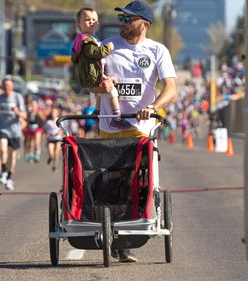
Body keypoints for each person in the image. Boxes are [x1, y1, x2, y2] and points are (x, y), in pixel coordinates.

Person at [90, 1, 177, 262]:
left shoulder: (157, 50)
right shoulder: (108, 46)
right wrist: (100, 89)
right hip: (110, 125)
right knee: (114, 181)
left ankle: (125, 237)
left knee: (135, 181)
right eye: (122, 18)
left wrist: (152, 107)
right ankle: (113, 234)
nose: (123, 22)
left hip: (140, 128)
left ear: (145, 24)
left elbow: (171, 89)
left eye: (129, 19)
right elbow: (90, 83)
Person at [71, 7, 129, 130]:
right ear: (79, 25)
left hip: (96, 73)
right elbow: (95, 53)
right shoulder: (85, 40)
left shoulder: (92, 38)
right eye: (87, 20)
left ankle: (97, 111)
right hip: (92, 75)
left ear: (98, 23)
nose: (91, 22)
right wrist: (109, 47)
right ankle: (116, 117)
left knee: (101, 92)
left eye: (94, 19)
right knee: (112, 91)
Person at [0, 78, 26, 190]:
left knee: (13, 156)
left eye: (8, 85)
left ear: (12, 87)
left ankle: (9, 178)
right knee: (3, 148)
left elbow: (24, 115)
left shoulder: (17, 97)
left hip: (15, 131)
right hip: (2, 128)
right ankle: (4, 170)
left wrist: (18, 113)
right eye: (4, 85)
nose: (6, 87)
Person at [43, 106, 63, 172]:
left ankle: (55, 165)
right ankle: (51, 158)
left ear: (57, 113)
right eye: (52, 112)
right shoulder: (48, 122)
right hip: (50, 139)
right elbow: (45, 130)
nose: (53, 113)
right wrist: (46, 135)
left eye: (54, 112)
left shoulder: (59, 120)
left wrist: (59, 134)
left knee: (56, 152)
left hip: (58, 139)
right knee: (51, 152)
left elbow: (61, 130)